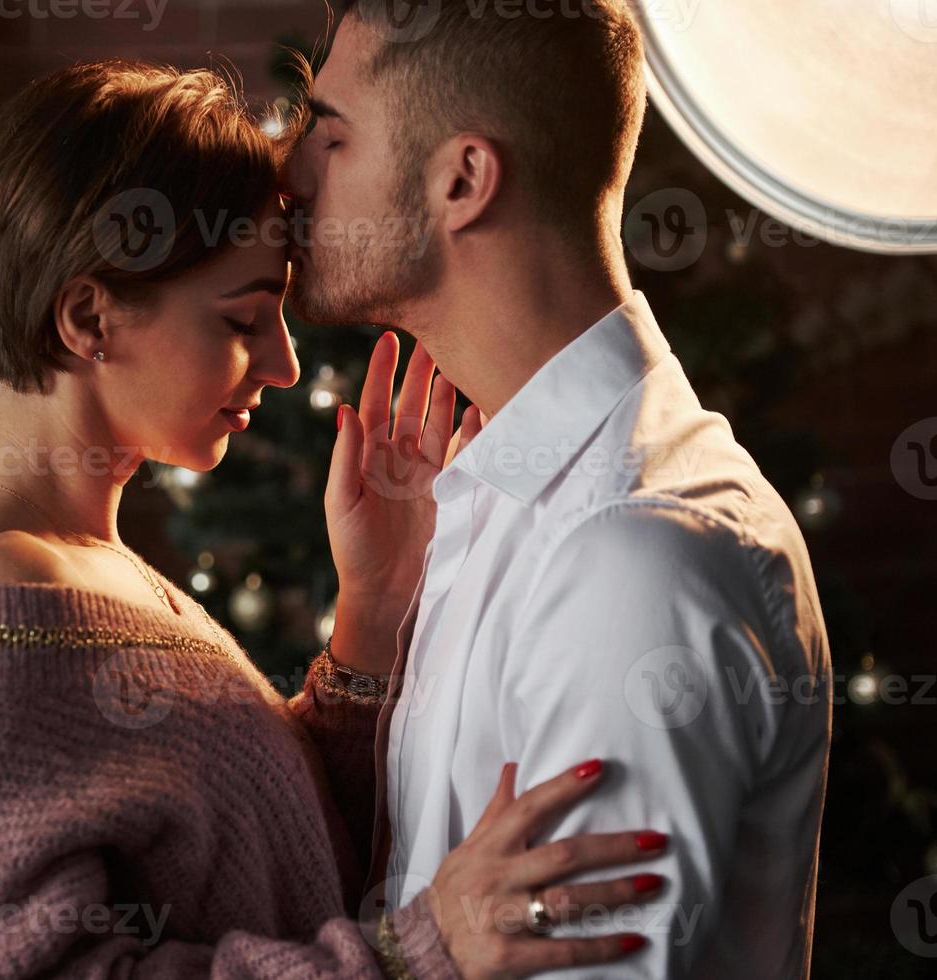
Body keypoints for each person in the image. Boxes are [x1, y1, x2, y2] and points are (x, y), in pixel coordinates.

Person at [0, 60, 669, 979]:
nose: (284, 365)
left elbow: (279, 861)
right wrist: (418, 952)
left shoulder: (82, 572)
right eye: (242, 319)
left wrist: (372, 611)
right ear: (87, 316)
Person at [283, 2, 833, 977]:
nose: (287, 174)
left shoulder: (630, 555)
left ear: (461, 179)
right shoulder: (490, 492)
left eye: (330, 135)